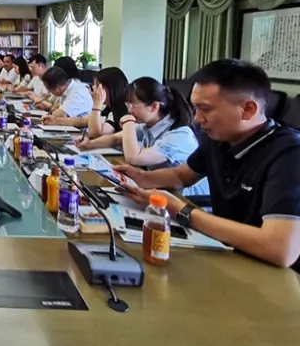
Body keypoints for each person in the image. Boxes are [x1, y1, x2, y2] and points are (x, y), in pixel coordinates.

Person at [114, 60, 300, 269]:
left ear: (248, 109)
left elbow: (280, 248)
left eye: (205, 109)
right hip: (228, 252)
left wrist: (182, 211)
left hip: (275, 273)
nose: (196, 119)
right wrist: (140, 178)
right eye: (195, 108)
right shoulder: (217, 139)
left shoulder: (289, 153)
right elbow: (181, 176)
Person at [80, 76, 209, 197]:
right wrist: (88, 144)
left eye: (133, 105)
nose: (129, 110)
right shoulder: (148, 126)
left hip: (185, 198)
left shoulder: (179, 135)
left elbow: (134, 158)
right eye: (128, 104)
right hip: (160, 188)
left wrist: (128, 123)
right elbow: (115, 138)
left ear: (154, 106)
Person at [50, 67, 129, 137]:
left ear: (109, 88)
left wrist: (96, 105)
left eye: (97, 85)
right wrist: (56, 121)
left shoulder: (120, 109)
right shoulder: (105, 106)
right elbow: (84, 120)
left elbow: (95, 133)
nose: (93, 88)